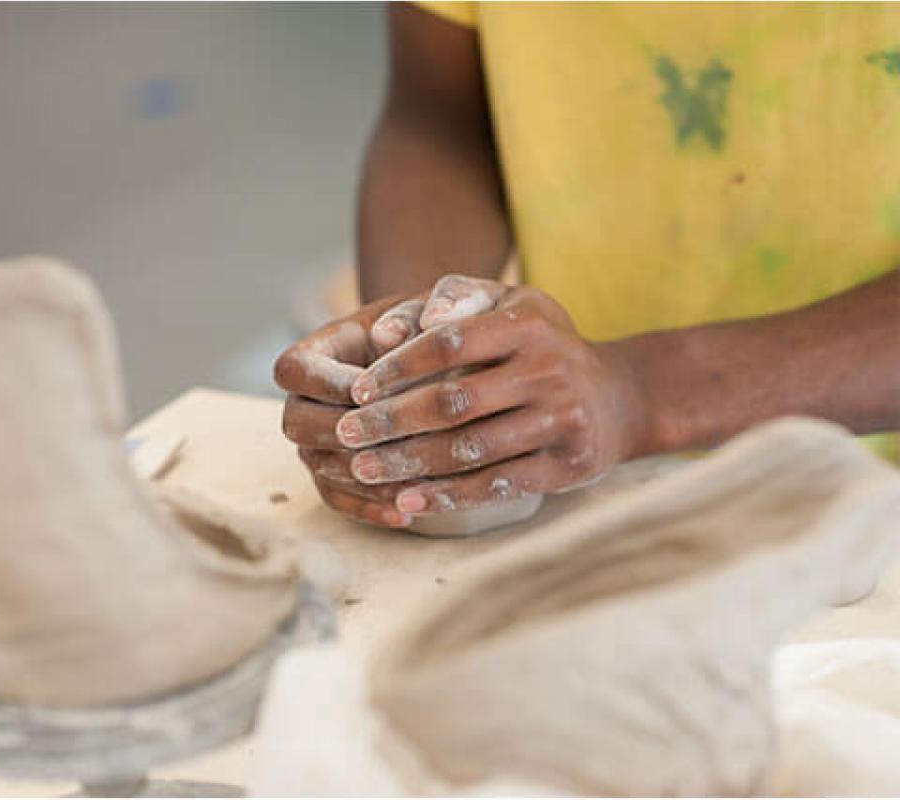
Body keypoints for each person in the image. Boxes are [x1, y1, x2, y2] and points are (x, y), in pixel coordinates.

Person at [273, 2, 900, 529]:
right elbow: (442, 114)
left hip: (870, 492)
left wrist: (638, 394)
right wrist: (420, 372)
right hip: (586, 472)